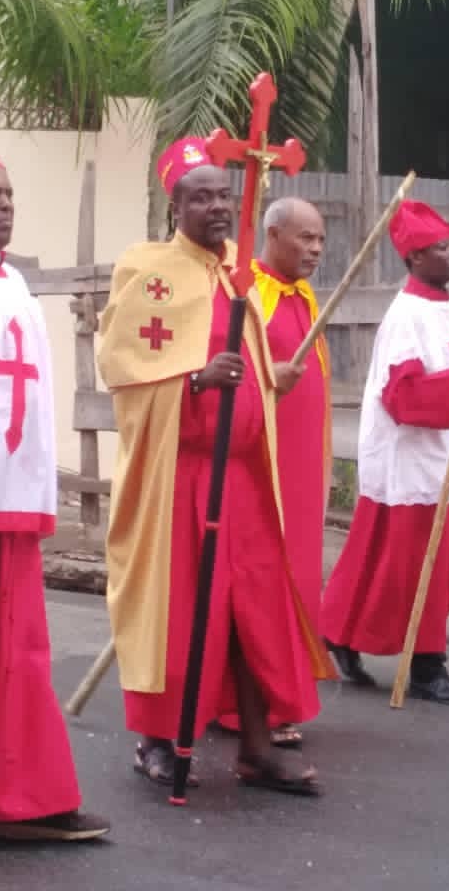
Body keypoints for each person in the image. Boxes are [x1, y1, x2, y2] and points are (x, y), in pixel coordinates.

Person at [98, 137, 334, 797]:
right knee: (177, 610)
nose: (217, 207)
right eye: (200, 197)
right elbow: (124, 370)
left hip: (242, 478)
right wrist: (195, 381)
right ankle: (156, 741)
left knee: (252, 606)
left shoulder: (239, 271)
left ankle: (256, 748)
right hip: (179, 475)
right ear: (175, 207)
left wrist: (265, 380)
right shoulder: (146, 270)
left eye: (224, 195)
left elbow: (251, 360)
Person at [0, 131, 109, 841]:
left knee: (15, 652)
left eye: (10, 195)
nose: (6, 206)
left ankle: (27, 798)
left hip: (9, 500)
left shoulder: (15, 286)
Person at [321, 200, 449, 706]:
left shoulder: (447, 308)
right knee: (413, 565)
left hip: (439, 456)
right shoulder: (406, 316)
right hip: (410, 459)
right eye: (441, 247)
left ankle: (339, 631)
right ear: (415, 257)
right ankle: (427, 666)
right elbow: (402, 393)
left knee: (386, 560)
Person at [218, 197, 332, 749]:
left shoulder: (303, 295)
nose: (315, 249)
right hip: (259, 464)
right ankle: (243, 706)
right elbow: (228, 373)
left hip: (301, 470)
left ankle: (282, 696)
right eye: (305, 237)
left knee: (298, 576)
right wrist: (267, 381)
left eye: (321, 240)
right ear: (272, 234)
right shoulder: (246, 294)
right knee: (259, 582)